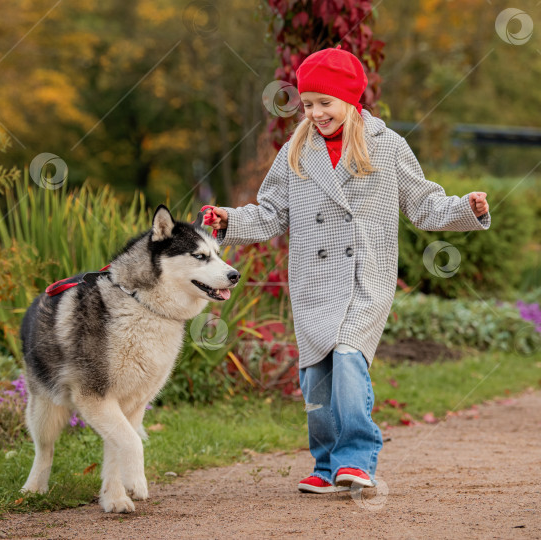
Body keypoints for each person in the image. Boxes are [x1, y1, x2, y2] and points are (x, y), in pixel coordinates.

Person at [201, 46, 490, 494]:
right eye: (307, 103)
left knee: (349, 356)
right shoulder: (296, 150)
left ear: (351, 100)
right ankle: (325, 463)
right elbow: (271, 213)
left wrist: (466, 209)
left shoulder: (387, 146)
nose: (316, 113)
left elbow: (424, 204)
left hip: (364, 277)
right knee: (316, 376)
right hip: (313, 281)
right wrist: (228, 221)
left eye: (325, 102)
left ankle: (355, 457)